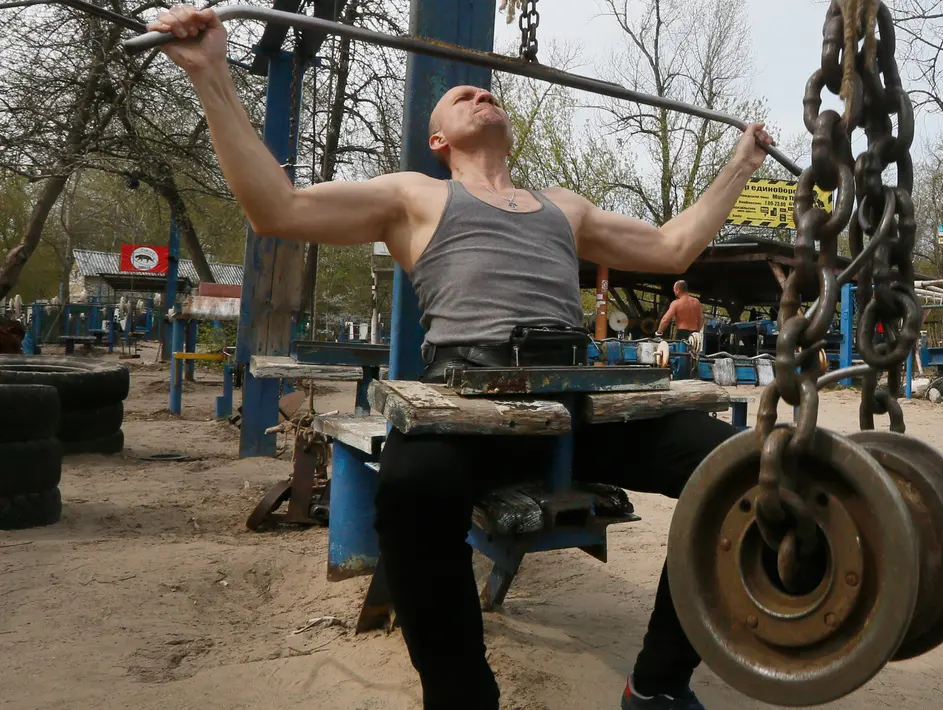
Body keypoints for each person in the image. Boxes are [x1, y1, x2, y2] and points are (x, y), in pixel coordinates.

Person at [147, 6, 775, 710]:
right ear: (437, 138)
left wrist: (739, 164)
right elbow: (277, 208)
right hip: (466, 403)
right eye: (461, 95)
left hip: (575, 404)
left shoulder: (561, 206)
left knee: (745, 474)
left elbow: (669, 250)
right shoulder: (414, 195)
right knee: (412, 495)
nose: (481, 92)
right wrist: (210, 76)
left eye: (488, 91)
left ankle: (657, 685)